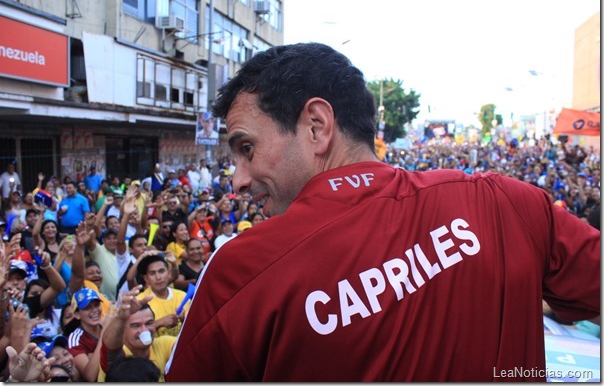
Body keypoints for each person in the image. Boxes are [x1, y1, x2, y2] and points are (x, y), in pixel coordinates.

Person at [165, 43, 601, 382]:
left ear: (317, 126)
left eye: (247, 148)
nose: (238, 179)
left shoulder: (241, 273)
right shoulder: (503, 201)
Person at [98, 285, 176, 381]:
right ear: (123, 330)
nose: (144, 330)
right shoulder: (120, 357)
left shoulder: (163, 343)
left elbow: (189, 347)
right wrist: (121, 318)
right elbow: (110, 350)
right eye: (135, 325)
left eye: (149, 323)